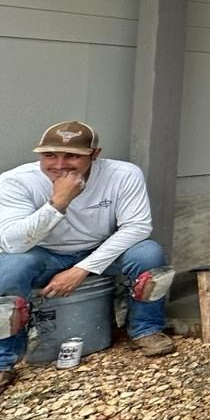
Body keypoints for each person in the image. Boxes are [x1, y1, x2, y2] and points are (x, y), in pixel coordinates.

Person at [0, 121, 174, 392]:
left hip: (99, 248)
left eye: (72, 155)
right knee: (9, 268)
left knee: (148, 254)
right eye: (49, 155)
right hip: (45, 255)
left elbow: (138, 227)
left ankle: (146, 329)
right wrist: (58, 202)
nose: (59, 164)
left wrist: (83, 269)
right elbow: (13, 243)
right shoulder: (16, 181)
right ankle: (3, 360)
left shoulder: (123, 174)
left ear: (94, 154)